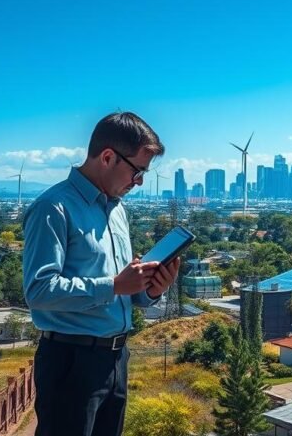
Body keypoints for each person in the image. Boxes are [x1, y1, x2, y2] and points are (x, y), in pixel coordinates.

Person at [22, 111, 181, 436]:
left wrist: (150, 289)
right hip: (70, 361)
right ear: (108, 157)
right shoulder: (53, 208)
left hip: (116, 358)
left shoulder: (117, 210)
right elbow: (38, 290)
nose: (138, 183)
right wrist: (114, 284)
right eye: (138, 172)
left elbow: (123, 291)